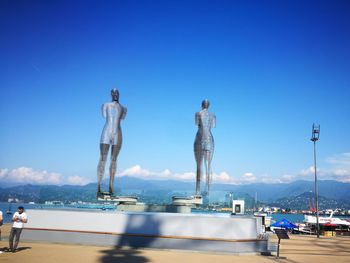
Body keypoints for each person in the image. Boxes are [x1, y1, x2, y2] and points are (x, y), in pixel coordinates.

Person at [97, 89, 127, 197]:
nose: (115, 94)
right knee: (102, 158)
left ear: (119, 94)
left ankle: (111, 188)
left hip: (117, 133)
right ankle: (99, 188)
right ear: (111, 94)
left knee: (114, 160)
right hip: (106, 131)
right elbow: (104, 116)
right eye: (113, 93)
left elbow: (122, 118)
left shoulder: (124, 109)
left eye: (117, 93)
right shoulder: (105, 105)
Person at [194, 99, 216, 196]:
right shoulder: (213, 115)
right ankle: (207, 190)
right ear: (209, 106)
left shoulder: (197, 113)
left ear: (201, 105)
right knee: (208, 166)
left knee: (199, 165)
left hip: (199, 138)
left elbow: (196, 124)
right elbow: (214, 126)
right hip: (210, 139)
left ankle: (197, 190)